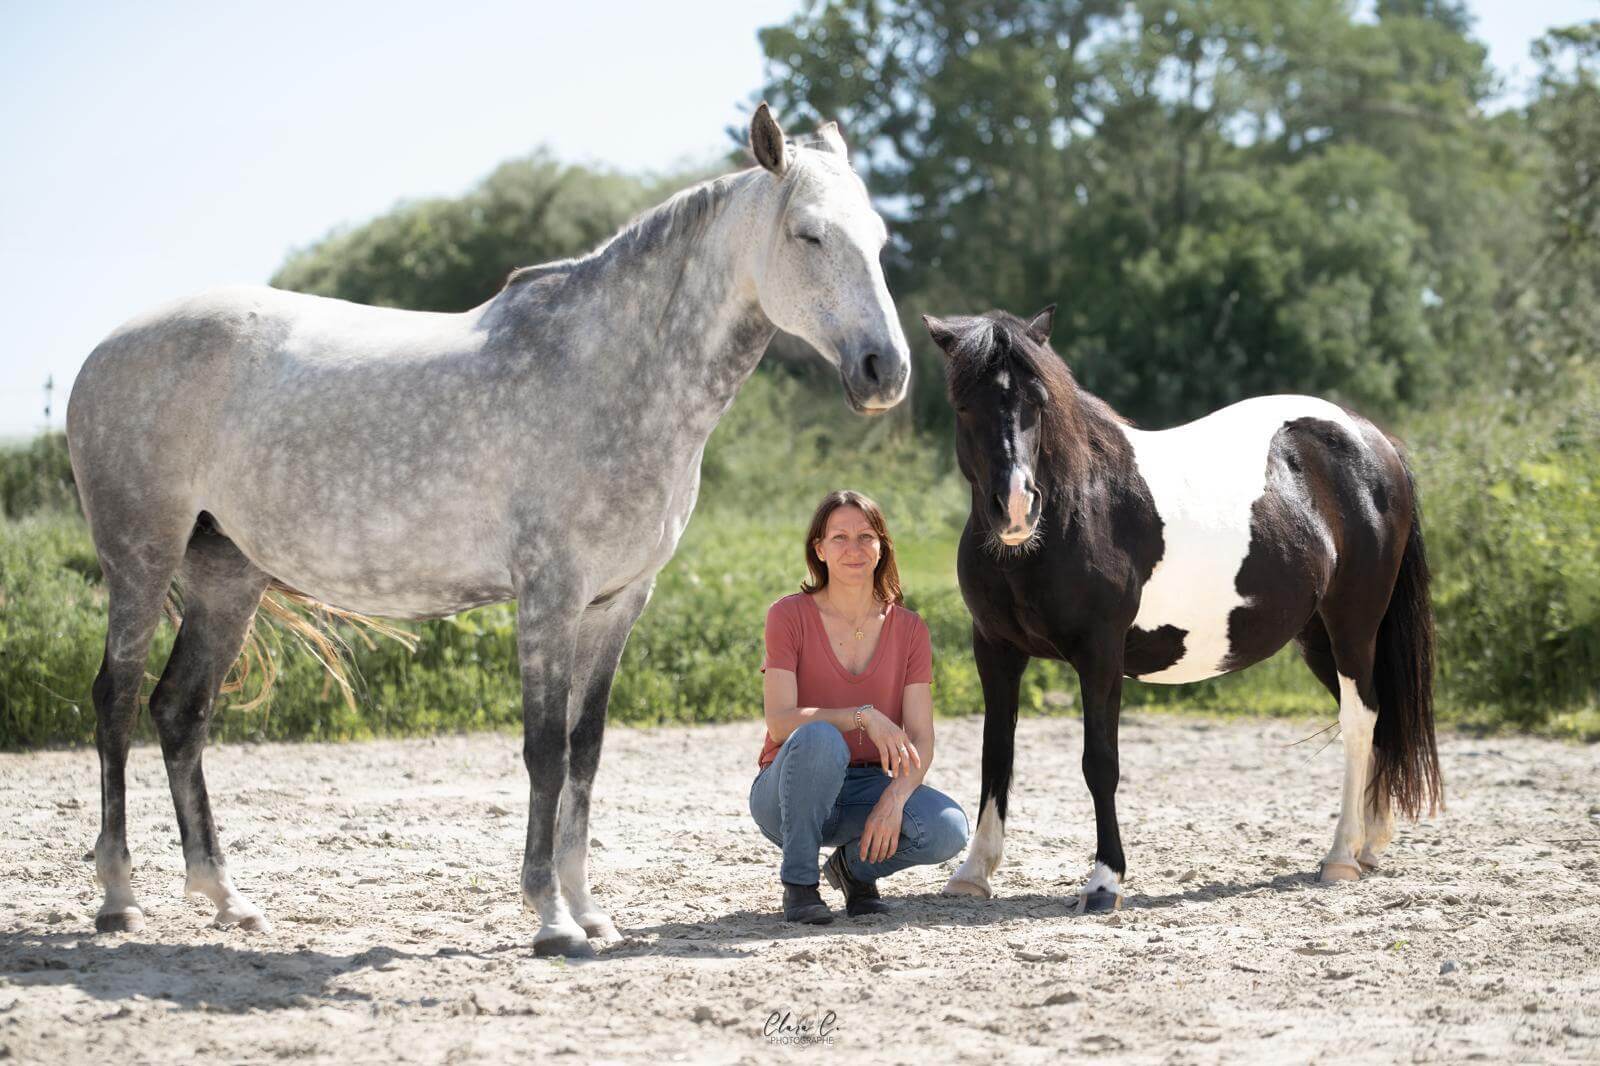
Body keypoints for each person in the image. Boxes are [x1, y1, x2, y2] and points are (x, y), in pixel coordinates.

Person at [750, 489, 970, 924]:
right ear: (819, 549)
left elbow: (922, 737)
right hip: (787, 792)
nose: (854, 549)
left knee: (947, 828)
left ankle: (853, 870)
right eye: (839, 538)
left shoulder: (909, 629)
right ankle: (799, 885)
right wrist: (862, 716)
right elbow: (779, 725)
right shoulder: (788, 615)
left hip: (864, 790)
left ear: (882, 546)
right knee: (818, 737)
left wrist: (894, 798)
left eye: (866, 536)